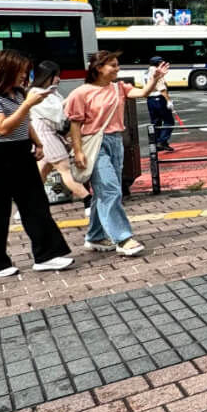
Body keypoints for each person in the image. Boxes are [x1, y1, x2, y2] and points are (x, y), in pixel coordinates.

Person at [0, 50, 76, 277]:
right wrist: (27, 104)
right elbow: (3, 127)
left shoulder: (17, 94)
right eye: (20, 72)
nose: (24, 76)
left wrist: (37, 143)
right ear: (5, 71)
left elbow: (25, 124)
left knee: (36, 205)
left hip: (20, 154)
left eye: (25, 72)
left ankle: (47, 255)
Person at [66, 51, 168, 258]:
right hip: (94, 143)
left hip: (116, 141)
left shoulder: (119, 87)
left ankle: (95, 236)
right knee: (111, 190)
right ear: (98, 68)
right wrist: (77, 151)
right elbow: (75, 125)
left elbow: (142, 93)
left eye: (117, 64)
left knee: (105, 191)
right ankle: (123, 238)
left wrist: (155, 78)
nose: (117, 68)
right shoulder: (81, 93)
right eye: (112, 65)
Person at [28, 61, 90, 203]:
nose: (58, 79)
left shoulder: (51, 92)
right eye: (56, 75)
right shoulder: (35, 93)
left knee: (41, 174)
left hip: (48, 135)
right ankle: (88, 200)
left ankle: (27, 206)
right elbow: (54, 111)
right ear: (46, 76)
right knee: (65, 169)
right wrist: (72, 97)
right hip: (45, 135)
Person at [145, 55, 176, 153]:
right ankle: (162, 141)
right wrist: (168, 101)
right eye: (161, 62)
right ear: (158, 63)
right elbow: (161, 88)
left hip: (150, 99)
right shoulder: (157, 72)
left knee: (155, 122)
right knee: (169, 121)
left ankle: (157, 143)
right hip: (159, 98)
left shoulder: (146, 72)